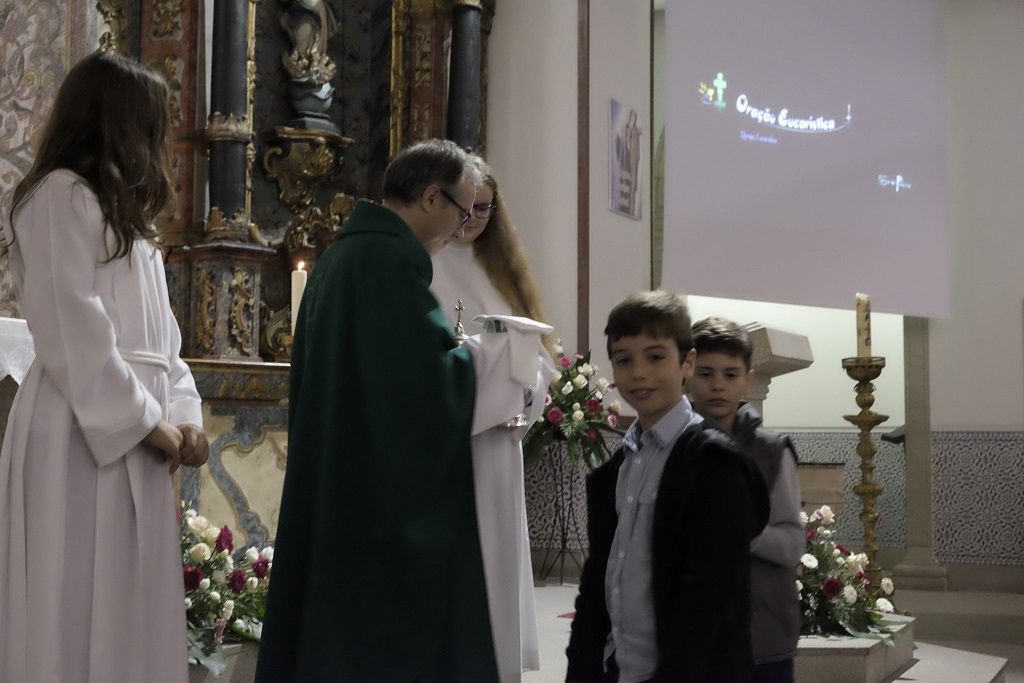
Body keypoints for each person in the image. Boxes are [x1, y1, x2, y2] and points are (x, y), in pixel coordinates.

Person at [257, 139, 547, 682]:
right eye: (461, 212)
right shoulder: (387, 266)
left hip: (342, 485)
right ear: (432, 197)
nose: (460, 229)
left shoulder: (346, 256)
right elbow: (428, 388)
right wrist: (494, 358)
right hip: (374, 508)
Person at [0, 52, 209, 682]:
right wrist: (150, 424)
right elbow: (72, 326)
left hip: (140, 434)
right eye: (155, 123)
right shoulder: (58, 196)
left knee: (127, 609)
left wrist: (186, 419)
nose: (161, 141)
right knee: (71, 599)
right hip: (78, 430)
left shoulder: (134, 225)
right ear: (118, 121)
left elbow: (165, 346)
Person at [565, 291, 769, 683]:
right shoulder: (616, 470)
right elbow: (597, 584)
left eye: (655, 357)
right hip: (616, 667)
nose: (638, 373)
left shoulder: (714, 463)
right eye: (624, 359)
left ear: (687, 362)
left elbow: (708, 600)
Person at [430, 155, 554, 682]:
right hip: (448, 444)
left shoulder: (500, 269)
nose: (473, 219)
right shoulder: (424, 264)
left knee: (497, 557)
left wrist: (526, 393)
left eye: (485, 209)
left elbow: (539, 356)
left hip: (500, 443)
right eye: (467, 207)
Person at [689, 317, 805, 683]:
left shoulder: (771, 451)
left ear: (748, 380)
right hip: (692, 633)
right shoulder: (675, 446)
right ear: (687, 373)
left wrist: (738, 529)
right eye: (705, 373)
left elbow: (791, 544)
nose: (717, 385)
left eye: (730, 374)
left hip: (762, 638)